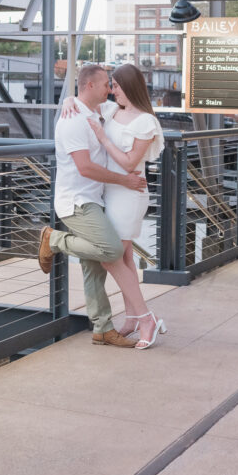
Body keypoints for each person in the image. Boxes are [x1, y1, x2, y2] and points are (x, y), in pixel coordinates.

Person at [36, 64, 147, 348]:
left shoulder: (100, 111)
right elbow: (84, 168)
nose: (110, 90)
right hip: (76, 202)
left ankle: (102, 328)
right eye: (105, 85)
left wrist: (68, 98)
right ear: (89, 86)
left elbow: (127, 108)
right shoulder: (73, 121)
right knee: (110, 250)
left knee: (94, 266)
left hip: (94, 200)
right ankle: (54, 239)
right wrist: (125, 180)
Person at [62, 63, 167, 350]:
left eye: (116, 86)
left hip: (129, 193)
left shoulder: (145, 121)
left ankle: (146, 318)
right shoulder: (111, 110)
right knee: (126, 258)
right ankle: (133, 315)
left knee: (111, 257)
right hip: (109, 192)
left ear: (128, 86)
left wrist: (103, 137)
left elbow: (130, 163)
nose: (111, 90)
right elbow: (85, 98)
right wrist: (69, 99)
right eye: (110, 85)